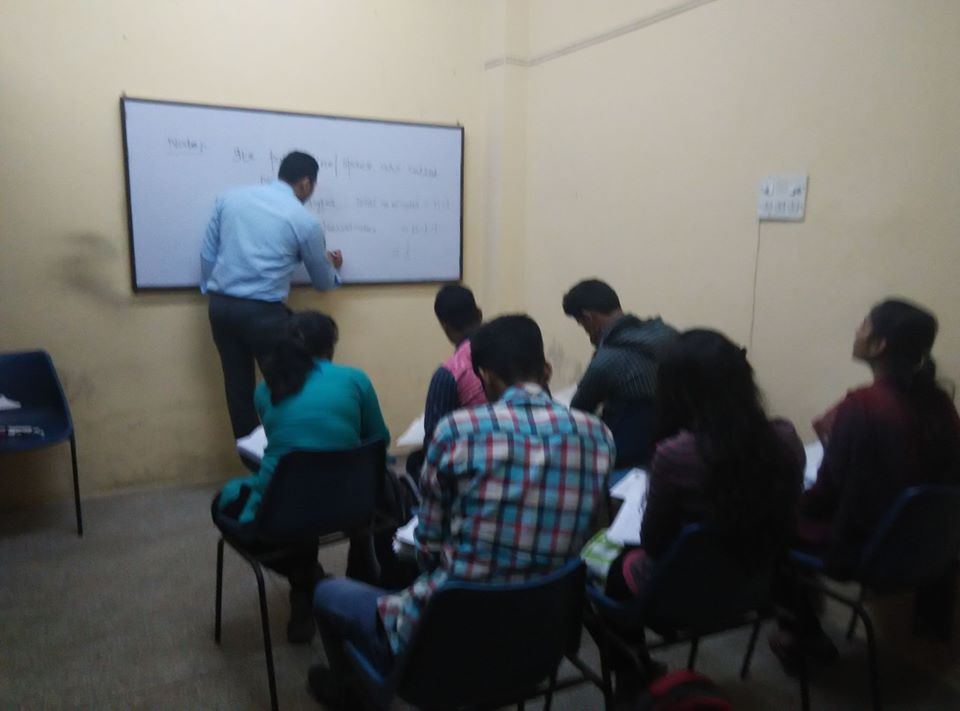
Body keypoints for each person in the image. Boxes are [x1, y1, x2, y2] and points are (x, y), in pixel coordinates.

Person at [307, 315, 616, 707]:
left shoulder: (457, 430)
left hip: (450, 632)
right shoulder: (598, 434)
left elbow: (429, 549)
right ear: (547, 371)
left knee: (327, 593)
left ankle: (354, 697)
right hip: (544, 631)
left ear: (485, 377)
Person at [597, 329, 804, 700]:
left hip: (677, 596)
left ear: (677, 391)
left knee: (612, 571)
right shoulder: (786, 436)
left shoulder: (675, 453)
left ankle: (633, 673)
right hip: (759, 583)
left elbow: (653, 543)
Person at [772, 298, 960, 668]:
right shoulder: (939, 403)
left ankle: (802, 635)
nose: (857, 331)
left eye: (864, 325)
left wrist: (789, 505)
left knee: (766, 523)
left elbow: (827, 492)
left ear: (879, 345)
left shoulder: (865, 405)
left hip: (863, 543)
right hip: (922, 548)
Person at [211, 311, 389, 644]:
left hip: (285, 510)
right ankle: (360, 573)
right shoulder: (355, 379)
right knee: (363, 482)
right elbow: (379, 440)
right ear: (330, 347)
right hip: (353, 503)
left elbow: (288, 441)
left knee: (225, 504)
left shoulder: (267, 390)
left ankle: (307, 583)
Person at [200, 151, 344, 440]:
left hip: (220, 308)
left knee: (238, 390)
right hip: (263, 313)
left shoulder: (229, 199)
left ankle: (253, 458)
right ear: (305, 183)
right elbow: (322, 281)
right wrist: (334, 270)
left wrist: (213, 289)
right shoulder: (304, 221)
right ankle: (289, 454)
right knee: (286, 385)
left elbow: (207, 254)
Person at [563, 279, 677, 468]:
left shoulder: (606, 360)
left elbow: (578, 412)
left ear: (589, 318)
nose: (587, 334)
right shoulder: (668, 335)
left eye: (582, 325)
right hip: (673, 448)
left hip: (626, 458)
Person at [405, 284, 487, 477]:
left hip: (473, 467)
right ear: (479, 313)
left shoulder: (450, 373)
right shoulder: (513, 353)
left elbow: (434, 444)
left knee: (416, 462)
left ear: (445, 326)